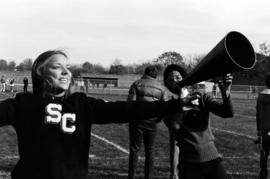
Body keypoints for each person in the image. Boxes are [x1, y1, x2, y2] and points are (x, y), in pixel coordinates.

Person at [0, 50, 198, 179]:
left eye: (67, 68)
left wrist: (174, 105)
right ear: (40, 72)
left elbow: (127, 110)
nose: (65, 72)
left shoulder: (82, 103)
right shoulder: (23, 103)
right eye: (56, 67)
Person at [163, 64, 234, 179]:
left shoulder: (200, 96)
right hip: (188, 163)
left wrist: (226, 92)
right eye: (170, 80)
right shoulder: (167, 105)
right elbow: (175, 126)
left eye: (177, 77)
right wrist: (181, 103)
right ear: (167, 85)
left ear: (185, 78)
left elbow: (227, 113)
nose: (174, 81)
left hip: (211, 157)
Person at [127, 65, 167, 179]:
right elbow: (163, 107)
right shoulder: (161, 88)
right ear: (155, 75)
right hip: (152, 121)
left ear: (145, 72)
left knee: (134, 149)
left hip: (137, 120)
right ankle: (149, 176)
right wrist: (158, 118)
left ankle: (131, 176)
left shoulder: (136, 84)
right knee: (150, 150)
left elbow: (131, 103)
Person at [256, 73, 270, 179]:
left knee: (264, 154)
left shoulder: (260, 95)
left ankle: (263, 174)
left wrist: (259, 131)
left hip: (264, 130)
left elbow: (258, 114)